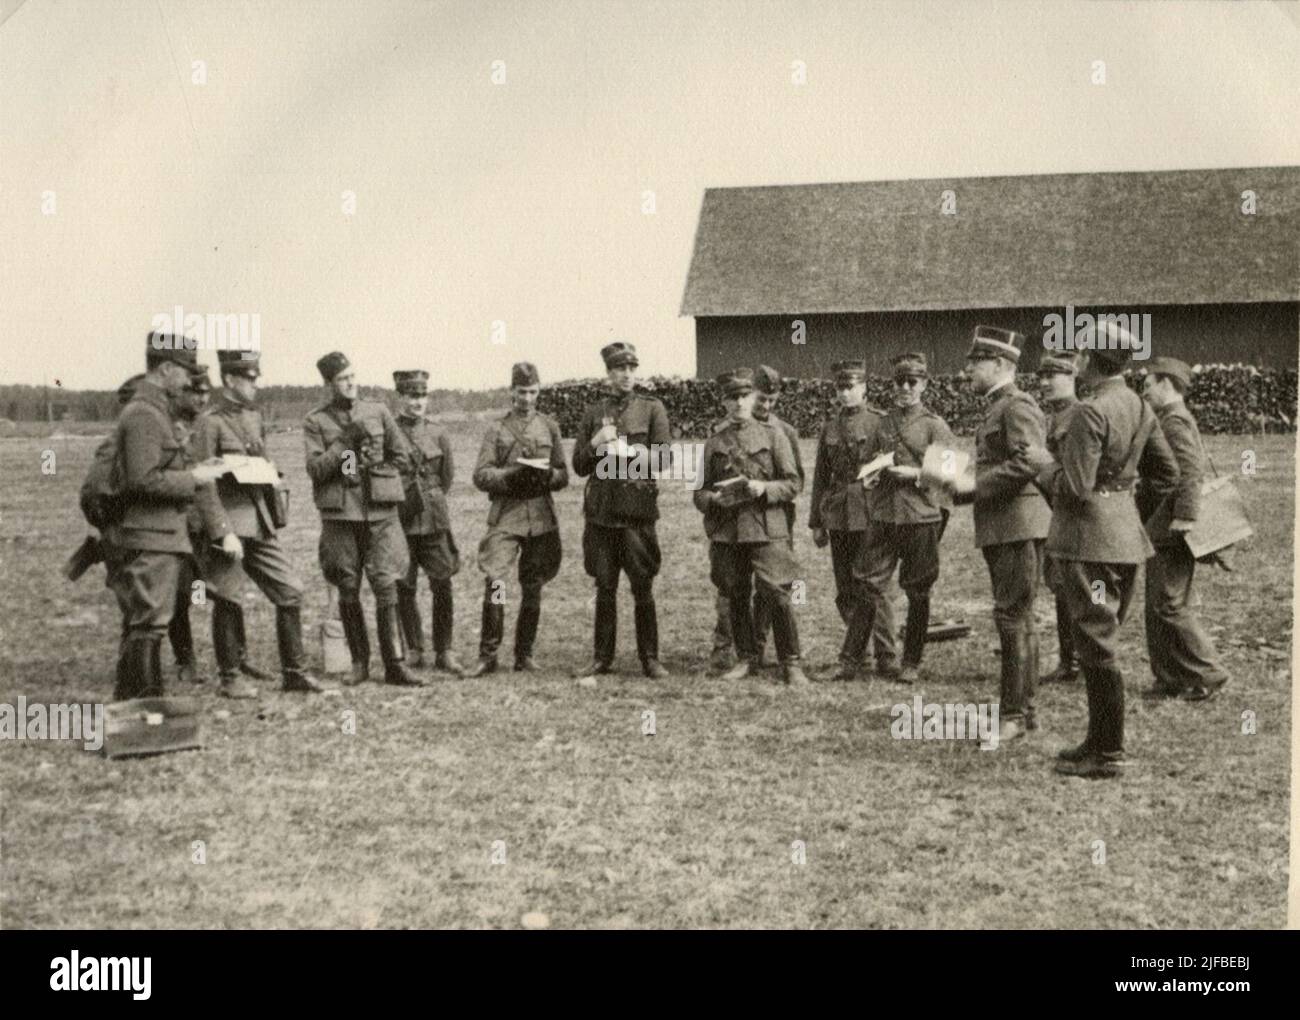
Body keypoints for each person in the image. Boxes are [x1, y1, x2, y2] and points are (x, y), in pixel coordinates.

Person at [1035, 329, 1180, 778]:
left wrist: (1043, 466)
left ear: (1088, 361)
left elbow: (1075, 488)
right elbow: (1167, 473)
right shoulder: (1139, 405)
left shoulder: (1089, 411)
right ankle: (1098, 740)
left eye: (1078, 356)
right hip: (1124, 538)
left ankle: (1109, 752)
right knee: (1101, 638)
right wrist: (1126, 511)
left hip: (1088, 543)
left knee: (1096, 644)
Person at [104, 333, 241, 701]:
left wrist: (195, 469)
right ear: (165, 368)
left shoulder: (152, 411)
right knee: (149, 626)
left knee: (146, 624)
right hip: (149, 536)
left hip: (157, 533)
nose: (187, 382)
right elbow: (143, 479)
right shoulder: (145, 414)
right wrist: (193, 478)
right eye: (184, 372)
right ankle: (149, 713)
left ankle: (132, 708)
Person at [200, 349, 327, 695]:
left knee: (290, 590)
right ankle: (230, 677)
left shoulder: (253, 417)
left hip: (259, 521)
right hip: (231, 526)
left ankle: (294, 672)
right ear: (229, 380)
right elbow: (203, 481)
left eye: (256, 378)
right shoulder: (209, 422)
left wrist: (271, 473)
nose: (255, 385)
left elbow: (263, 460)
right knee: (229, 597)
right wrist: (222, 532)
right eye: (249, 379)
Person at [952, 327, 1052, 741]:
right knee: (1017, 617)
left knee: (1012, 618)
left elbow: (1028, 464)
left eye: (976, 362)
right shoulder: (999, 407)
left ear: (999, 365)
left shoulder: (1017, 406)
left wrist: (975, 485)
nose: (968, 370)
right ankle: (1023, 710)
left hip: (1017, 526)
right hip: (1006, 525)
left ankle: (1013, 715)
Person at [835, 352, 954, 683]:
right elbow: (869, 461)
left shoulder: (934, 425)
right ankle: (850, 659)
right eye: (899, 382)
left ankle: (911, 661)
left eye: (911, 382)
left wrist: (913, 473)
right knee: (867, 584)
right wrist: (873, 473)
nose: (904, 387)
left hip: (920, 516)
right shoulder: (883, 423)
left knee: (918, 591)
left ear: (924, 385)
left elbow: (950, 476)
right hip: (885, 515)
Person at [304, 351, 420, 687]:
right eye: (342, 379)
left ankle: (395, 664)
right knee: (348, 585)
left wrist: (376, 468)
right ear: (329, 384)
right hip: (341, 516)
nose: (351, 383)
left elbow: (402, 457)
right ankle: (359, 664)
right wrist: (345, 443)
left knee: (387, 584)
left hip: (380, 512)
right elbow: (316, 469)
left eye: (353, 376)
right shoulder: (315, 421)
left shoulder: (378, 411)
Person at [695, 368, 809, 686]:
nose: (739, 403)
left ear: (754, 397)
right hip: (729, 529)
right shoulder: (713, 442)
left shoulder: (775, 436)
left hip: (766, 525)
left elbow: (793, 483)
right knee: (735, 593)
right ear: (724, 402)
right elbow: (699, 492)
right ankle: (746, 658)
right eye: (732, 397)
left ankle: (791, 661)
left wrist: (764, 489)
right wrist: (713, 499)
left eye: (744, 396)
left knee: (776, 591)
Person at [570, 342, 672, 679]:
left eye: (631, 368)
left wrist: (629, 453)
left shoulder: (651, 408)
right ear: (609, 373)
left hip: (636, 511)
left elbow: (664, 459)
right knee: (604, 586)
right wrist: (597, 442)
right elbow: (580, 466)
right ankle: (602, 657)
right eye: (619, 369)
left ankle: (650, 658)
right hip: (602, 512)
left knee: (642, 585)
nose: (626, 375)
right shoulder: (592, 412)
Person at [467, 362, 569, 677]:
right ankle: (488, 655)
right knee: (495, 580)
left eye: (533, 392)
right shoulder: (497, 429)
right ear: (512, 392)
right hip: (507, 516)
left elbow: (563, 473)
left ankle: (524, 654)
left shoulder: (549, 427)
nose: (527, 398)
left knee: (533, 585)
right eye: (522, 392)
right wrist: (512, 476)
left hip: (539, 516)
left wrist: (546, 477)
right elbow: (481, 475)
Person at [1138, 356, 1228, 702]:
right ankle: (1169, 677)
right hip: (1161, 524)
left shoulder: (1174, 422)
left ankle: (1208, 673)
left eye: (1149, 383)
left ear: (1166, 384)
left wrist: (1186, 517)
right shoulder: (1169, 419)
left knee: (1169, 604)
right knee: (1158, 604)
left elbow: (1190, 472)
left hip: (1172, 525)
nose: (1144, 389)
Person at [807, 359, 900, 678]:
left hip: (872, 512)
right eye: (841, 388)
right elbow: (820, 476)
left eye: (851, 387)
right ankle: (859, 654)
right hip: (838, 515)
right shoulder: (829, 427)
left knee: (875, 588)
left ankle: (887, 654)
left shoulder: (880, 423)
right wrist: (816, 522)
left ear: (864, 388)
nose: (845, 393)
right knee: (846, 588)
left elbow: (890, 467)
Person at [392, 369, 463, 676]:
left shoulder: (438, 433)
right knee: (403, 586)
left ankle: (444, 650)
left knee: (442, 583)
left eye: (422, 395)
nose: (417, 402)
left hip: (434, 519)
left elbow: (446, 477)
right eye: (411, 395)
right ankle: (414, 648)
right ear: (401, 397)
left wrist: (429, 498)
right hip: (401, 520)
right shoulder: (390, 432)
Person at [1036, 353, 1081, 685]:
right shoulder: (1050, 418)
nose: (1045, 382)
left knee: (1078, 588)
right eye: (1042, 376)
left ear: (1073, 377)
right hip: (1054, 514)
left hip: (1076, 515)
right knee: (1061, 587)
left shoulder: (1080, 416)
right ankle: (1070, 659)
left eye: (1055, 376)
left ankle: (1080, 660)